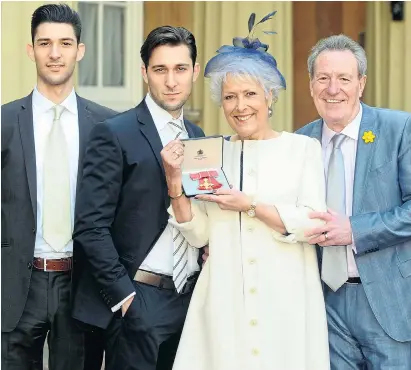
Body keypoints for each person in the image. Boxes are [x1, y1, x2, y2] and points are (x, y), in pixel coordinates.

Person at [161, 12, 330, 370]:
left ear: (270, 96)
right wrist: (176, 185)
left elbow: (313, 224)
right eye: (230, 97)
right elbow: (199, 234)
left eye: (250, 94)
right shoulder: (208, 151)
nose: (240, 106)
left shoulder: (302, 149)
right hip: (223, 303)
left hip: (284, 302)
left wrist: (249, 204)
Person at [71, 26, 205, 370]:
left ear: (195, 70)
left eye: (180, 69)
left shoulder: (199, 137)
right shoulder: (115, 133)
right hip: (139, 297)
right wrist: (125, 297)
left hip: (189, 300)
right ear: (145, 73)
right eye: (160, 70)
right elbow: (90, 226)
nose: (171, 81)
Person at [1, 4, 117, 370]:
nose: (54, 53)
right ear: (30, 49)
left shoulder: (107, 127)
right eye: (45, 43)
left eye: (65, 43)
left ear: (79, 50)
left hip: (81, 284)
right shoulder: (3, 122)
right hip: (16, 285)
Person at [297, 34, 411, 369]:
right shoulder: (300, 142)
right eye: (323, 78)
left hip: (386, 303)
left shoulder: (399, 128)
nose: (333, 89)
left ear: (361, 84)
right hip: (323, 305)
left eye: (344, 79)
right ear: (311, 85)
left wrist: (356, 230)